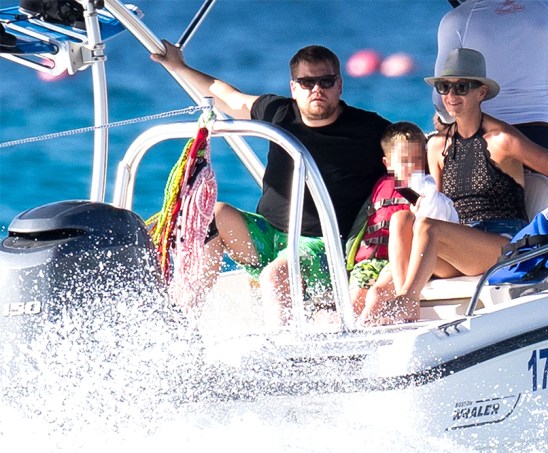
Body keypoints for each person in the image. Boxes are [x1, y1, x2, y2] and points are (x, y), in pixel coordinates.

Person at [151, 42, 390, 326]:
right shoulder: (279, 113)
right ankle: (184, 323)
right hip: (270, 238)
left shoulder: (370, 129)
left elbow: (412, 152)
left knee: (274, 276)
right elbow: (228, 97)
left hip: (322, 248)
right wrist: (178, 66)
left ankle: (282, 359)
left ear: (339, 84)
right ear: (294, 87)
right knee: (214, 215)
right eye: (307, 82)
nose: (317, 89)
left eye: (326, 81)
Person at [363, 48, 548, 325]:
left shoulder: (502, 139)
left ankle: (406, 302)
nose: (451, 96)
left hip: (502, 245)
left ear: (481, 92)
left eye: (461, 87)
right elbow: (436, 207)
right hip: (456, 244)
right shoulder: (437, 145)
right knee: (402, 218)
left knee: (426, 227)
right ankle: (407, 304)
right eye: (444, 87)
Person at [432, 0, 548, 151]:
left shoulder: (457, 19)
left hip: (483, 139)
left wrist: (446, 119)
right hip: (538, 140)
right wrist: (543, 115)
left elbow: (441, 100)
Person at [345, 122, 458, 319]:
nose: (410, 167)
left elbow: (435, 220)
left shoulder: (423, 188)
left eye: (416, 160)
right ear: (387, 163)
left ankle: (374, 333)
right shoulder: (380, 185)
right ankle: (352, 343)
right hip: (370, 260)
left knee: (376, 295)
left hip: (398, 259)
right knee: (353, 301)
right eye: (403, 161)